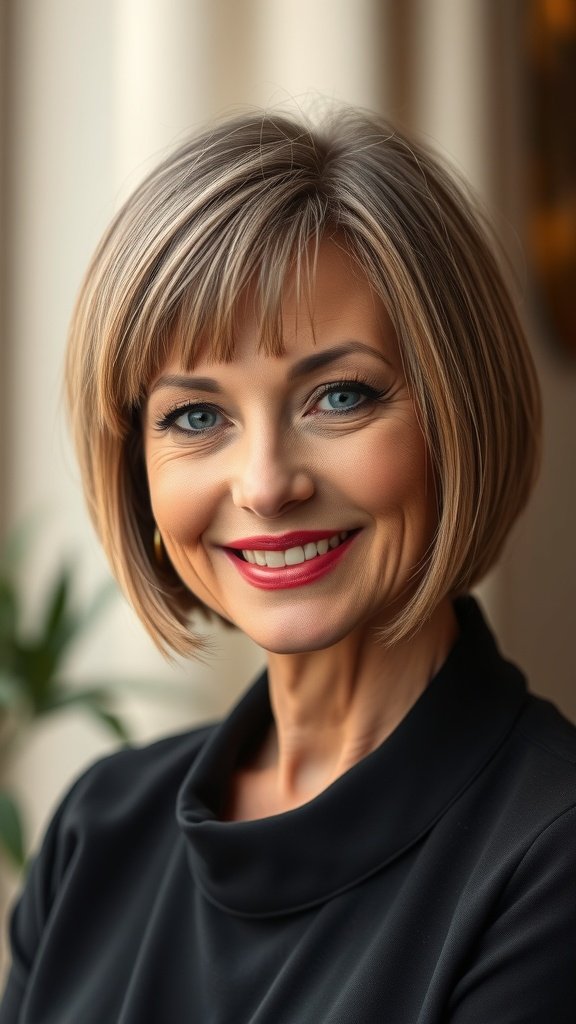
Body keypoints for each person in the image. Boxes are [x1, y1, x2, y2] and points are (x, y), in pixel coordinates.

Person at [1, 107, 575, 1024]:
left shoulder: (550, 856)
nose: (266, 485)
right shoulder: (94, 832)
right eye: (197, 416)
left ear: (458, 413)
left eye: (339, 397)